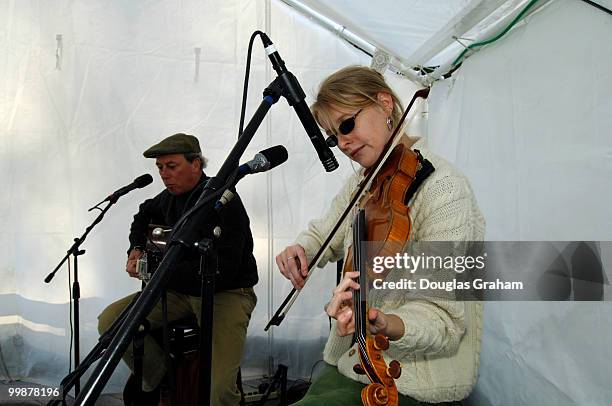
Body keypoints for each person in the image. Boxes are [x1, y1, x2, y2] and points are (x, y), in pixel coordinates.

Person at [275, 66, 485, 405]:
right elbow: (326, 230)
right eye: (333, 136)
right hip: (352, 360)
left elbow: (444, 321)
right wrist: (303, 248)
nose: (342, 143)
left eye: (346, 125)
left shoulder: (445, 190)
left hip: (410, 379)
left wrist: (381, 321)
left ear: (385, 103)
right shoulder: (365, 182)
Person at [97, 133, 258, 406]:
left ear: (196, 164)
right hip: (178, 291)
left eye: (171, 166)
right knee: (111, 322)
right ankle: (163, 378)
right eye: (160, 168)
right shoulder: (168, 198)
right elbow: (142, 215)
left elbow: (227, 269)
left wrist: (163, 271)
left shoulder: (224, 199)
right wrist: (135, 248)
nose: (164, 174)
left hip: (226, 294)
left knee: (218, 390)